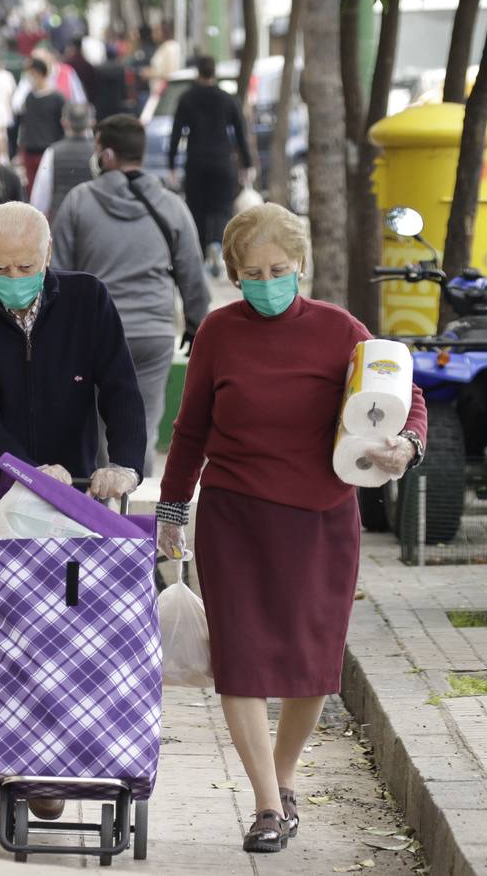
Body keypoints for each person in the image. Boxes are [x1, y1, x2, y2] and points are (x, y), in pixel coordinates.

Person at [156, 204, 428, 853]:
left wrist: (406, 446)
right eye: (252, 272)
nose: (267, 282)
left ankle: (281, 782)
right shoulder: (218, 331)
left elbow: (406, 395)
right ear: (233, 273)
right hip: (234, 517)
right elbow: (190, 427)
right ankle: (267, 805)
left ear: (299, 266)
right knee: (242, 663)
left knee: (313, 668)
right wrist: (169, 512)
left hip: (321, 519)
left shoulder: (339, 330)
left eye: (278, 270)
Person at [0, 201, 147, 840]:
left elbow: (122, 390)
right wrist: (27, 470)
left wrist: (127, 464)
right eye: (0, 267)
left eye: (25, 265)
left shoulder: (87, 302)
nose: (13, 275)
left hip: (67, 518)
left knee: (57, 648)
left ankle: (48, 771)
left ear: (48, 257)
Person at [52, 114, 209, 476]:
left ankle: (101, 516)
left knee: (97, 432)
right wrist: (196, 323)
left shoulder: (78, 202)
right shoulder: (172, 206)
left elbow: (57, 274)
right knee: (143, 427)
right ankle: (134, 519)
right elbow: (192, 272)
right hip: (153, 333)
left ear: (106, 155)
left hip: (95, 337)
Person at [169, 55, 253, 272]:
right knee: (221, 207)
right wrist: (247, 164)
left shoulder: (187, 98)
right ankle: (217, 244)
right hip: (222, 161)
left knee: (197, 207)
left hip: (196, 161)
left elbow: (176, 133)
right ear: (214, 73)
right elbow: (240, 134)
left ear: (198, 73)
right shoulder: (227, 99)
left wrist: (171, 165)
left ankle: (200, 253)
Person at [29, 102, 94, 219]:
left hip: (62, 217)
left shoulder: (52, 151)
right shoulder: (99, 152)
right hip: (92, 217)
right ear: (91, 122)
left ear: (64, 122)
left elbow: (40, 197)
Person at [15, 58, 66, 196]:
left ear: (38, 73)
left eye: (31, 74)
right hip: (30, 150)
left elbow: (62, 126)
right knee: (31, 190)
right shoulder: (29, 97)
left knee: (48, 190)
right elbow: (25, 124)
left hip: (49, 150)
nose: (30, 78)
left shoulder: (57, 98)